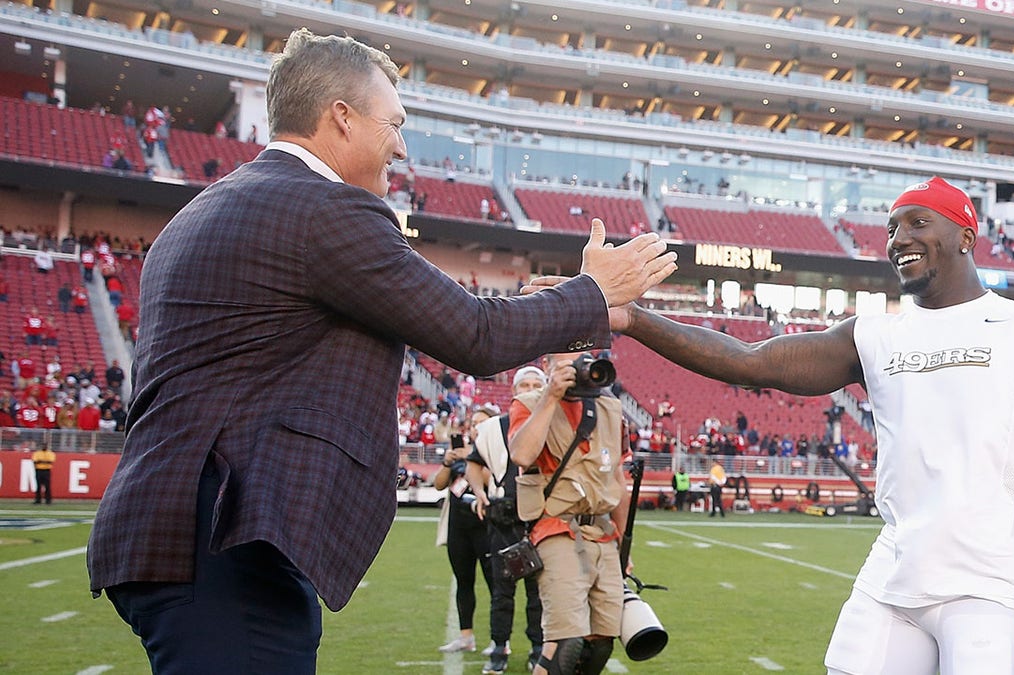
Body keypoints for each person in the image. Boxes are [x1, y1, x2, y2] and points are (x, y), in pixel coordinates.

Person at [85, 29, 676, 674]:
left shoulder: (207, 210)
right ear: (341, 117)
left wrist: (581, 309)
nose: (400, 144)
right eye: (393, 123)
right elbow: (474, 334)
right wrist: (595, 291)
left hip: (176, 527)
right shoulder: (322, 209)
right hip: (225, 533)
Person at [591, 176, 1014, 674]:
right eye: (891, 228)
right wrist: (633, 319)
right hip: (893, 574)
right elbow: (749, 359)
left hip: (988, 585)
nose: (899, 238)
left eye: (918, 223)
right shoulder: (874, 335)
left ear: (966, 237)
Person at [508, 354, 630, 675]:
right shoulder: (529, 402)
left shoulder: (610, 408)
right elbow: (521, 454)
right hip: (556, 526)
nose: (581, 369)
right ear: (549, 364)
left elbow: (617, 479)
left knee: (601, 642)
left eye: (586, 361)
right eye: (571, 362)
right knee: (567, 642)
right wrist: (550, 395)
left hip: (603, 532)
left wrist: (625, 548)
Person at [465, 366, 550, 673]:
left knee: (539, 591)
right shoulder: (494, 428)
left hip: (542, 515)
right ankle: (499, 646)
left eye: (535, 384)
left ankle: (539, 647)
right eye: (524, 384)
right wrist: (479, 493)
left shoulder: (556, 422)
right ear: (514, 391)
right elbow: (473, 464)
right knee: (503, 589)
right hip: (505, 516)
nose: (529, 389)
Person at [433, 409, 495, 657]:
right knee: (463, 581)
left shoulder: (496, 450)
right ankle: (466, 636)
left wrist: (472, 456)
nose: (476, 428)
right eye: (474, 424)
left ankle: (498, 639)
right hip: (459, 527)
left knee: (495, 585)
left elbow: (494, 481)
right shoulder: (460, 453)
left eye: (483, 423)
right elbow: (439, 484)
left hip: (486, 526)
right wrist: (448, 462)